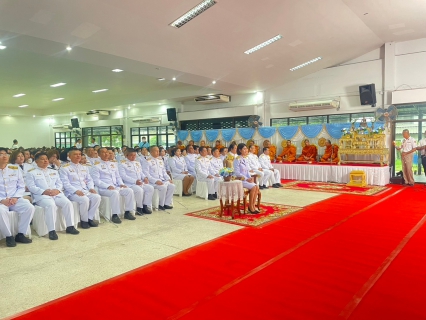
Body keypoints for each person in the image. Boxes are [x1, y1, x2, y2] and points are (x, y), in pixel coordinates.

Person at [26, 153, 79, 240]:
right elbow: (31, 187)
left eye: (46, 159)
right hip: (41, 196)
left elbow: (59, 183)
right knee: (51, 205)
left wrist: (57, 190)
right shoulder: (31, 173)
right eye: (42, 159)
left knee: (68, 203)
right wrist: (44, 191)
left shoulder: (53, 171)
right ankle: (52, 230)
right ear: (36, 161)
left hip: (56, 194)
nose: (45, 161)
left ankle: (70, 226)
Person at [91, 147, 136, 223]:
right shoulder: (96, 165)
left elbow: (118, 176)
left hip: (115, 186)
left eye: (107, 152)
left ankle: (128, 212)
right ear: (98, 154)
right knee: (115, 193)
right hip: (104, 189)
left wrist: (121, 184)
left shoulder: (113, 164)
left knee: (129, 191)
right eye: (103, 152)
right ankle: (115, 215)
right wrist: (107, 186)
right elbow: (96, 181)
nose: (106, 154)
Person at [0, 148, 34, 247]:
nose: (4, 156)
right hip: (1, 201)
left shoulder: (15, 168)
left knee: (29, 207)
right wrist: (1, 200)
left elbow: (21, 186)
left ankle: (21, 234)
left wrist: (16, 197)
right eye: (1, 154)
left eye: (6, 154)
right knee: (1, 211)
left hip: (14, 199)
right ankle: (8, 236)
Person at [59, 149, 101, 229]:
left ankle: (90, 218)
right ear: (69, 156)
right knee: (84, 200)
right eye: (75, 154)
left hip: (85, 190)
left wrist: (91, 188)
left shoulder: (84, 167)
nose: (78, 156)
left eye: (79, 154)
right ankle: (84, 220)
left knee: (97, 197)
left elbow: (89, 180)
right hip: (71, 193)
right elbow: (65, 183)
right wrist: (75, 191)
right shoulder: (64, 168)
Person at [118, 148, 154, 214]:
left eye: (135, 155)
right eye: (131, 155)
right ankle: (139, 208)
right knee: (139, 190)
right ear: (126, 155)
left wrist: (145, 177)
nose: (133, 157)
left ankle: (145, 205)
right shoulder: (122, 163)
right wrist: (135, 181)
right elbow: (123, 176)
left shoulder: (137, 163)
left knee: (150, 188)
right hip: (130, 184)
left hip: (140, 182)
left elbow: (141, 172)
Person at [143, 146, 175, 210]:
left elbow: (164, 172)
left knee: (172, 186)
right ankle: (161, 205)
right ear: (151, 152)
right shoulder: (147, 161)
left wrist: (168, 179)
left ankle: (166, 203)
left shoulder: (160, 160)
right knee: (163, 187)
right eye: (156, 151)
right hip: (153, 182)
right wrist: (155, 181)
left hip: (162, 180)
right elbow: (146, 174)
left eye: (158, 151)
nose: (158, 152)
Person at [234, 143, 260, 214]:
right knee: (254, 187)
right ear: (240, 150)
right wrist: (246, 179)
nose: (246, 150)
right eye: (244, 149)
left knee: (256, 187)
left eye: (246, 149)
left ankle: (253, 206)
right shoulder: (237, 159)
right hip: (240, 180)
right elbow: (237, 173)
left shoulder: (245, 159)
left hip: (246, 179)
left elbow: (247, 171)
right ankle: (250, 207)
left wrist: (250, 178)